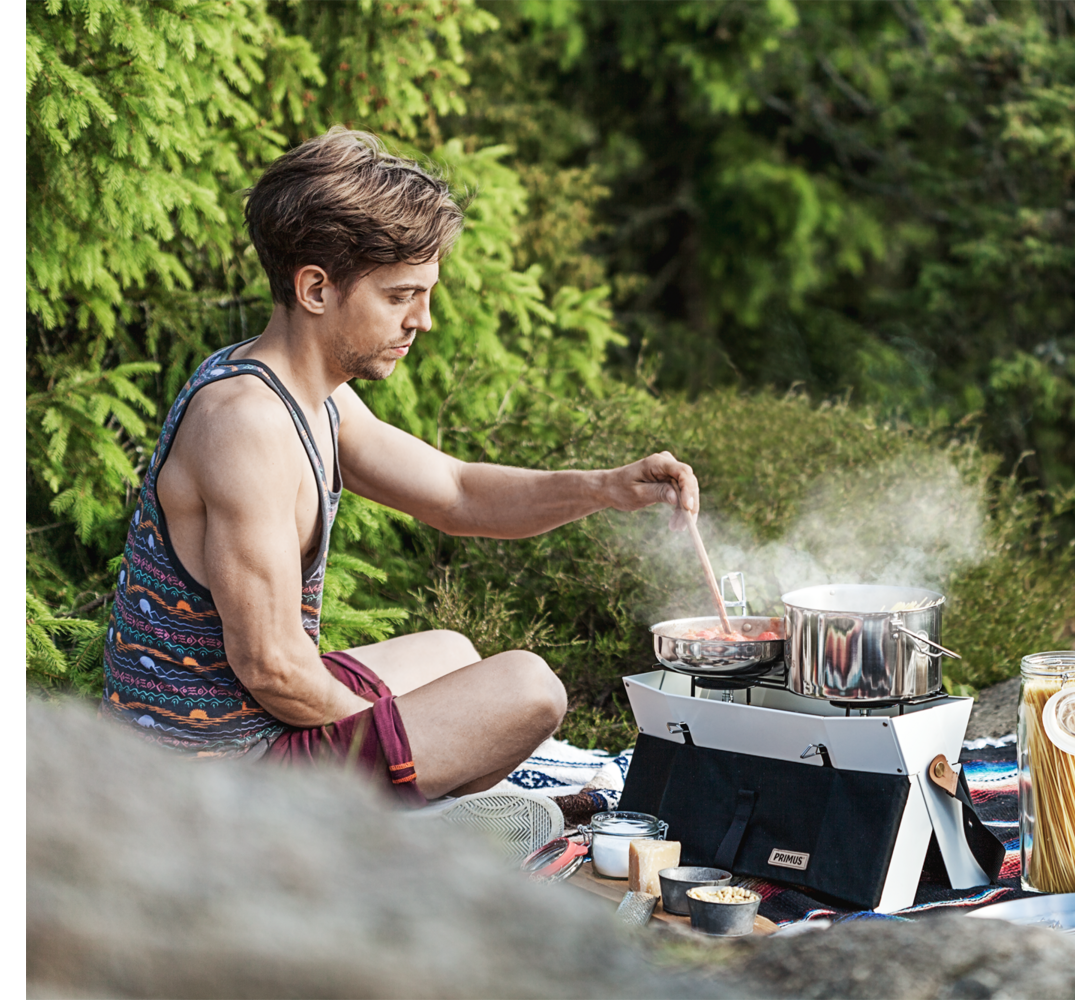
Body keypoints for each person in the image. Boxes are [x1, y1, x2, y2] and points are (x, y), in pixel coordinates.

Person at [101, 128, 697, 819]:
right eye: (400, 296)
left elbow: (457, 494)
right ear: (316, 288)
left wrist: (606, 487)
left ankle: (426, 806)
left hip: (253, 734)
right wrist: (399, 740)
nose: (425, 320)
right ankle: (428, 829)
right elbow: (272, 667)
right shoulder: (246, 424)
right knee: (530, 690)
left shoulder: (308, 396)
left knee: (451, 653)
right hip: (211, 785)